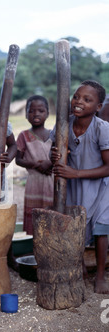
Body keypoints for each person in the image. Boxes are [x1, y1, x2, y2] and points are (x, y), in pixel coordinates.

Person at [50, 80, 109, 294]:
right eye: (76, 96)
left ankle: (101, 275)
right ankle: (81, 268)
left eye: (87, 99)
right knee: (75, 228)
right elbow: (53, 157)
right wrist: (54, 156)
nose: (78, 102)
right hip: (74, 186)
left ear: (98, 107)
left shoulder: (102, 129)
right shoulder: (63, 124)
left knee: (101, 230)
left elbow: (108, 167)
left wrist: (76, 173)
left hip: (100, 187)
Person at [15, 95, 53, 235]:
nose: (36, 114)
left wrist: (49, 163)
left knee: (52, 214)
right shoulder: (23, 136)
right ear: (26, 114)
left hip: (51, 181)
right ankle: (34, 248)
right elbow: (18, 159)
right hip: (34, 182)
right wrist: (37, 165)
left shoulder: (54, 135)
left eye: (41, 110)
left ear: (47, 113)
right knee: (34, 215)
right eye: (31, 111)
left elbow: (61, 156)